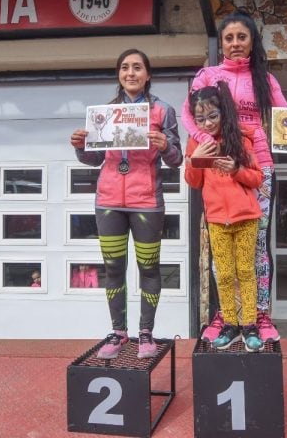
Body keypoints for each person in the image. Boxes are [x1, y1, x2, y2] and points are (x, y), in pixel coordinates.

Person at [182, 10, 287, 342]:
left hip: (259, 167)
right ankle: (225, 315)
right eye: (229, 37)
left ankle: (260, 315)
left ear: (252, 41)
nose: (236, 43)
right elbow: (189, 114)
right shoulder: (207, 76)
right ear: (221, 43)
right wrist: (206, 144)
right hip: (216, 166)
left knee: (255, 248)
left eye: (242, 37)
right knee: (222, 246)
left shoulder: (265, 79)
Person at [70, 48, 183, 360]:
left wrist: (166, 146)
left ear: (147, 74)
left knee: (148, 268)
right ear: (118, 74)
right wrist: (81, 147)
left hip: (146, 201)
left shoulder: (162, 111)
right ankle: (118, 332)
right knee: (113, 268)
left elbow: (177, 160)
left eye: (137, 68)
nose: (130, 73)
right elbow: (93, 160)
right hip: (108, 201)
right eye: (124, 68)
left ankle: (145, 332)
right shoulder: (104, 113)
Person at [184, 81, 264, 352]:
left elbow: (257, 178)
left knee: (245, 271)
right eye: (200, 119)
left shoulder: (239, 139)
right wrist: (194, 160)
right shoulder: (195, 143)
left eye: (212, 116)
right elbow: (193, 182)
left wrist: (236, 169)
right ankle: (230, 324)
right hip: (217, 220)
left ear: (223, 114)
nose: (207, 124)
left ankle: (250, 326)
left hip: (246, 218)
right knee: (226, 274)